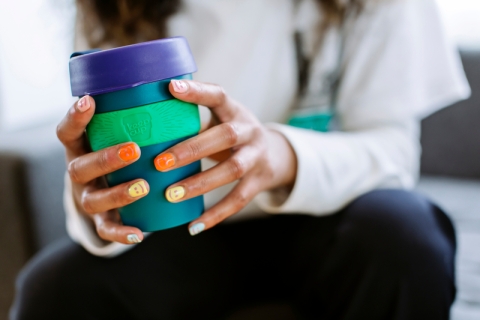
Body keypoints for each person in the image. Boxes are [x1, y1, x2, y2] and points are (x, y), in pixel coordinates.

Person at [10, 0, 470, 319]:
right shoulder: (113, 6)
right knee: (54, 288)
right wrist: (97, 200)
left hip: (328, 217)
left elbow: (393, 152)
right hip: (180, 229)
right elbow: (101, 155)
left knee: (402, 238)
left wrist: (279, 155)